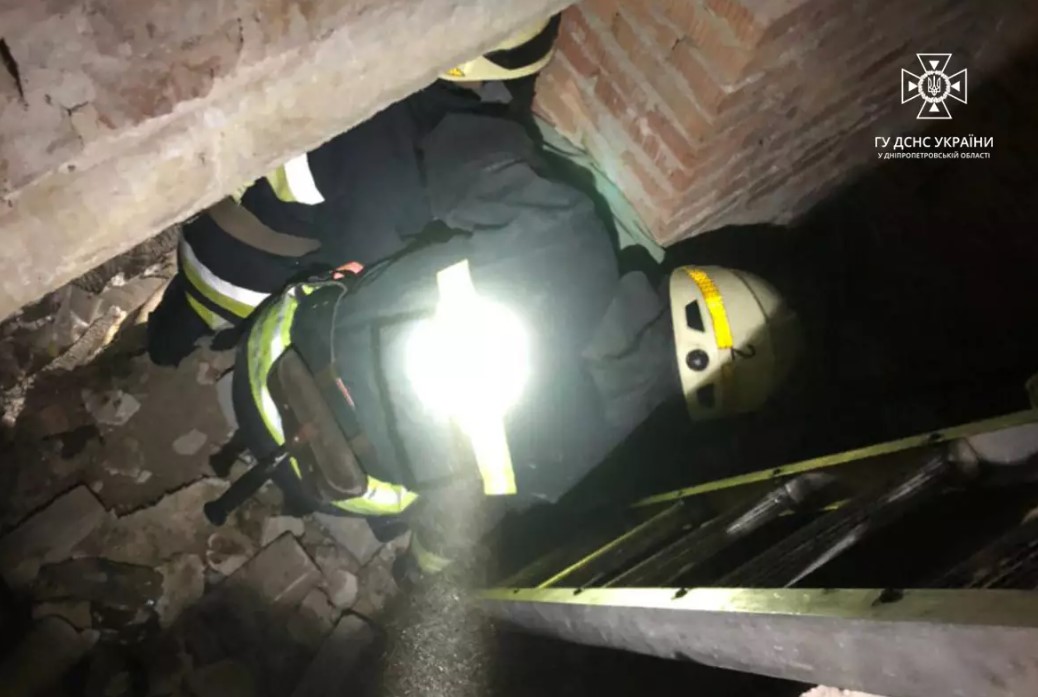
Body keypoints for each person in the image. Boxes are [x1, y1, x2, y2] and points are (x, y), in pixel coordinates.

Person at [220, 101, 802, 581]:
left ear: (697, 283)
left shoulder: (572, 241)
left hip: (270, 353)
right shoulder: (596, 459)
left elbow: (457, 146)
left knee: (393, 135)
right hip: (331, 485)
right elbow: (463, 521)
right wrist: (418, 571)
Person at [146, 15, 562, 367]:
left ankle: (162, 346)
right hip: (244, 278)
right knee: (217, 333)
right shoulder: (389, 160)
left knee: (181, 318)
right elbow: (368, 259)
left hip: (213, 228)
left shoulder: (370, 57)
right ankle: (168, 354)